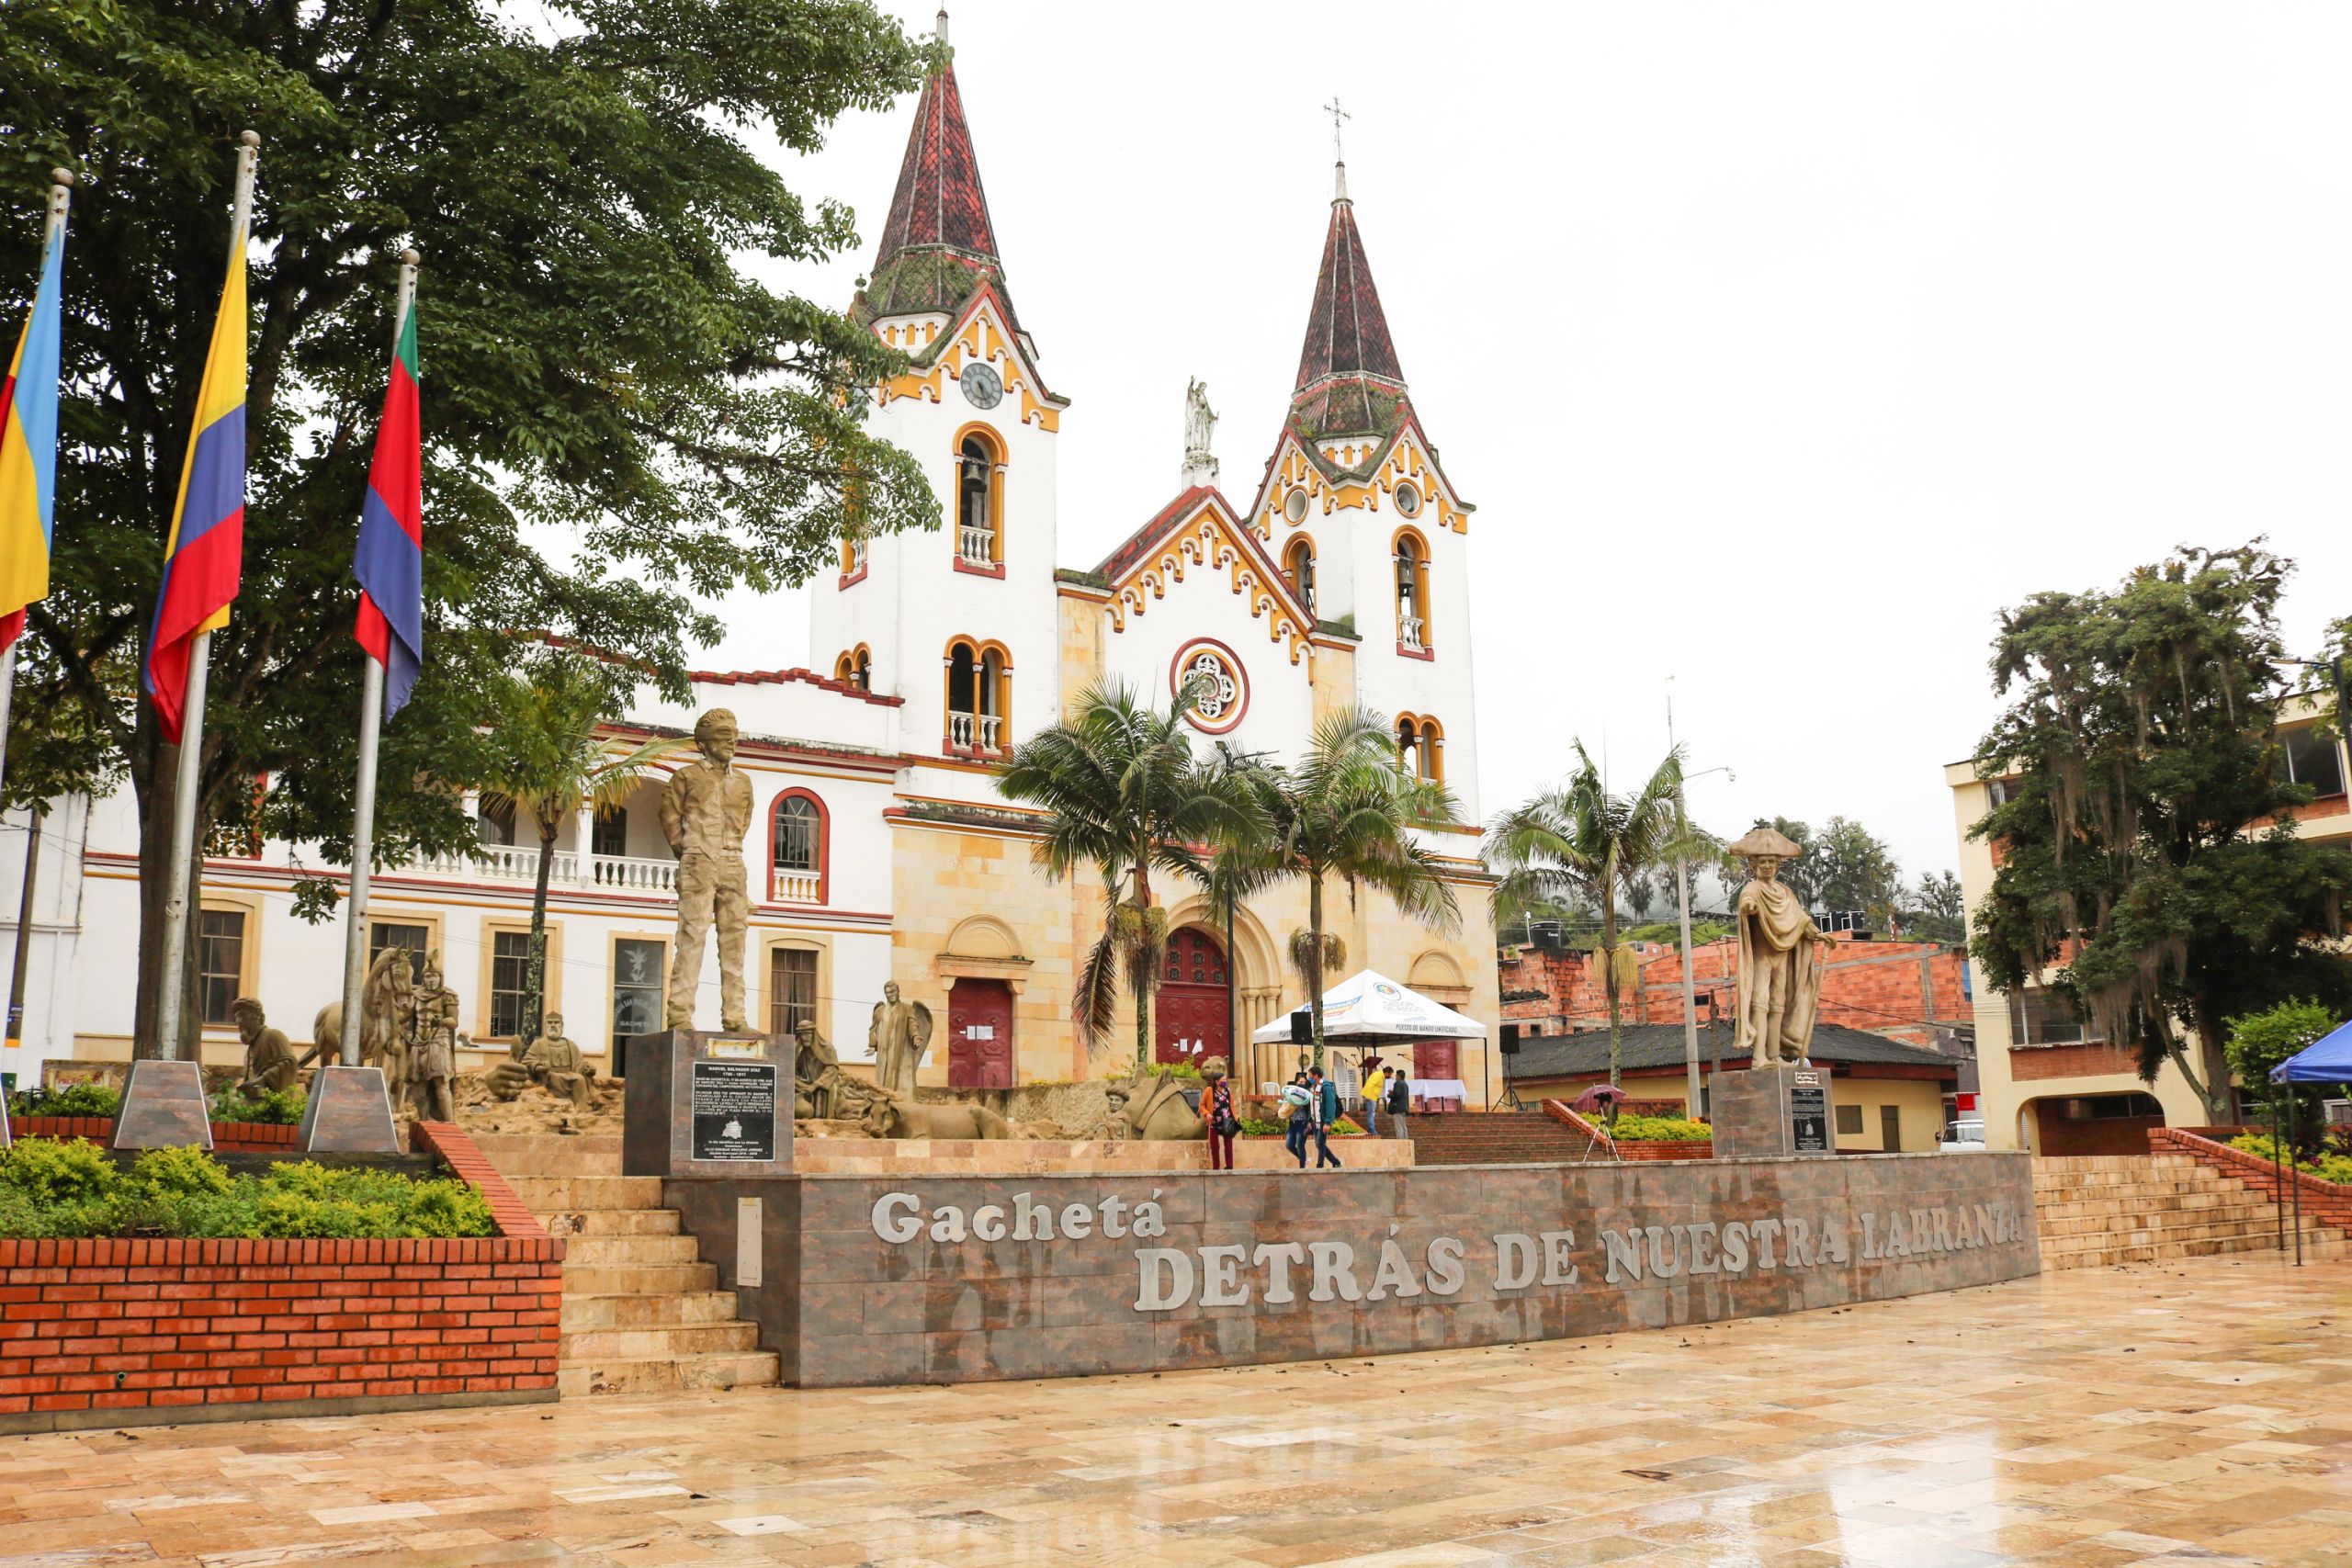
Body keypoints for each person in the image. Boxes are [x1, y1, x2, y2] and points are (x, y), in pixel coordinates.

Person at [1201, 1059, 1237, 1171]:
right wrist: (1207, 1114)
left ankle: (1229, 1166)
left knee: (1228, 1145)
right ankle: (1216, 1167)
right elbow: (1202, 1106)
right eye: (1222, 1080)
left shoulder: (1228, 1091)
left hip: (1227, 1121)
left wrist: (1235, 1117)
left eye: (1225, 1080)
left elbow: (1232, 1105)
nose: (1225, 1082)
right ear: (1216, 1081)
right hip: (1214, 1122)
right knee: (1215, 1146)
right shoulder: (1209, 1091)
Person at [1309, 1065, 1342, 1169]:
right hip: (1316, 1120)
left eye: (1310, 1076)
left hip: (1323, 1120)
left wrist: (1328, 1122)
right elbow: (1313, 1105)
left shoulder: (1326, 1088)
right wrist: (1310, 1120)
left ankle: (1320, 1165)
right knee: (1319, 1144)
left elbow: (1330, 1105)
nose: (1309, 1078)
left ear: (1316, 1076)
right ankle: (1335, 1162)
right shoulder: (1314, 1088)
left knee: (1320, 1143)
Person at [1282, 1072, 1313, 1168]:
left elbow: (1312, 1109)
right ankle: (1304, 1160)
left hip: (1303, 1123)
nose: (1302, 1083)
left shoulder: (1308, 1094)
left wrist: (1310, 1121)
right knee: (1289, 1145)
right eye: (1300, 1081)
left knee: (1300, 1144)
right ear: (1296, 1082)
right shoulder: (1291, 1092)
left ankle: (1302, 1166)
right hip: (1293, 1122)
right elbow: (1286, 1104)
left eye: (1304, 1082)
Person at [1385, 1064, 1412, 1144]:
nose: (1395, 1076)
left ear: (1399, 1076)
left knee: (1399, 1127)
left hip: (1397, 1108)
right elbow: (1401, 1094)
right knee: (1403, 1126)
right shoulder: (1405, 1084)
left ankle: (1400, 1143)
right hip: (1403, 1107)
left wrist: (1390, 1094)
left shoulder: (1398, 1083)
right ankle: (1405, 1141)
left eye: (1396, 1075)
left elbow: (1397, 1094)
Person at [1361, 1056, 1385, 1137]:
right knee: (1371, 1114)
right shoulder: (1378, 1075)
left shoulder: (1379, 1074)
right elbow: (1370, 1084)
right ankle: (1372, 1131)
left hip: (1371, 1096)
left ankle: (1371, 1130)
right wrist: (1367, 1096)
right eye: (1390, 1074)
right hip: (1371, 1097)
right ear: (1388, 1072)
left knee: (1371, 1114)